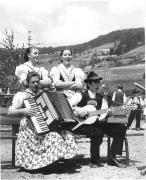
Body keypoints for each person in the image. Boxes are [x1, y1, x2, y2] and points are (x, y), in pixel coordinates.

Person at [8, 71, 78, 170]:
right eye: (33, 82)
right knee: (54, 137)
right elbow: (10, 112)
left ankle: (65, 163)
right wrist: (24, 110)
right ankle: (45, 164)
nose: (36, 84)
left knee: (68, 134)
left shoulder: (45, 95)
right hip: (30, 129)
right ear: (28, 83)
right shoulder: (22, 95)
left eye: (37, 82)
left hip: (47, 127)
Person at [70, 71, 127, 168]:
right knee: (97, 133)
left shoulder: (102, 98)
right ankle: (93, 161)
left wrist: (108, 114)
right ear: (88, 84)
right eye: (95, 82)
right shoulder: (80, 95)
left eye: (98, 82)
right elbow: (67, 105)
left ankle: (112, 157)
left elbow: (101, 117)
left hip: (96, 122)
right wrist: (78, 110)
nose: (98, 85)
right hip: (81, 124)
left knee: (120, 128)